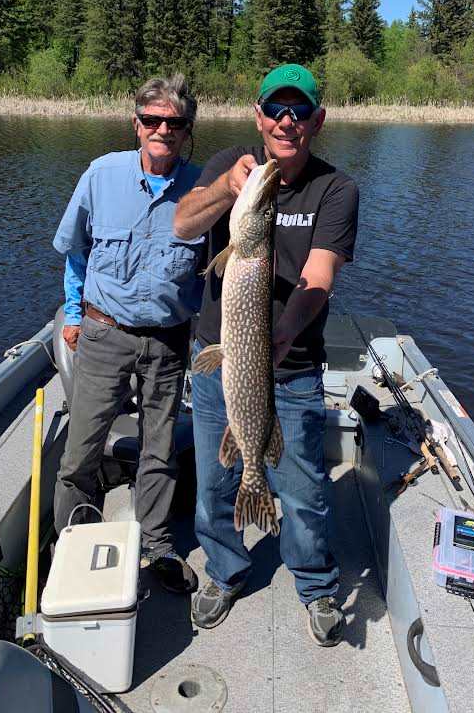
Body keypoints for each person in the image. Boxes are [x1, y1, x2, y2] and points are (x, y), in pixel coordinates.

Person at [173, 63, 359, 646]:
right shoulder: (232, 169)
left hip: (294, 365)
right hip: (218, 360)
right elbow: (182, 224)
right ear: (258, 116)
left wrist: (286, 329)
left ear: (316, 121)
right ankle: (225, 571)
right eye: (276, 110)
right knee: (211, 482)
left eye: (299, 111)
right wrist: (230, 188)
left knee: (303, 492)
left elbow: (320, 277)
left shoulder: (337, 189)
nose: (286, 121)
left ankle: (315, 582)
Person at [52, 74, 203, 594]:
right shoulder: (101, 175)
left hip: (168, 342)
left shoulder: (205, 189)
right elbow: (77, 252)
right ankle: (74, 539)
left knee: (159, 450)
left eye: (174, 123)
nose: (162, 130)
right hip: (103, 332)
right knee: (80, 450)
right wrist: (73, 315)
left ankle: (158, 543)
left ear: (187, 131)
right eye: (152, 120)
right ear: (135, 124)